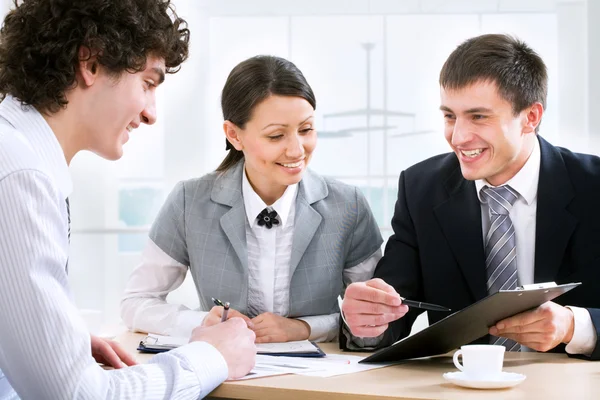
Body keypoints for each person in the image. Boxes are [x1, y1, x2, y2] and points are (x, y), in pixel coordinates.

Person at [0, 1, 256, 399]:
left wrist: (50, 342)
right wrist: (211, 355)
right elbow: (79, 397)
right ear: (91, 62)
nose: (151, 114)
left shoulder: (17, 154)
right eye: (148, 83)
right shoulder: (19, 175)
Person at [341, 33, 600, 360]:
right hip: (460, 388)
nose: (458, 137)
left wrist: (576, 326)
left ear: (530, 117)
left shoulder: (593, 187)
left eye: (478, 116)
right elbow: (392, 310)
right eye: (450, 116)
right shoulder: (421, 189)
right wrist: (367, 318)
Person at [120, 55, 383, 344]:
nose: (297, 150)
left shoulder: (349, 206)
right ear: (234, 135)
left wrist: (304, 329)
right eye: (276, 136)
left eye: (306, 130)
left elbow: (374, 321)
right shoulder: (188, 202)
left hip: (321, 382)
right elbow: (136, 303)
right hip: (222, 375)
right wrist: (202, 321)